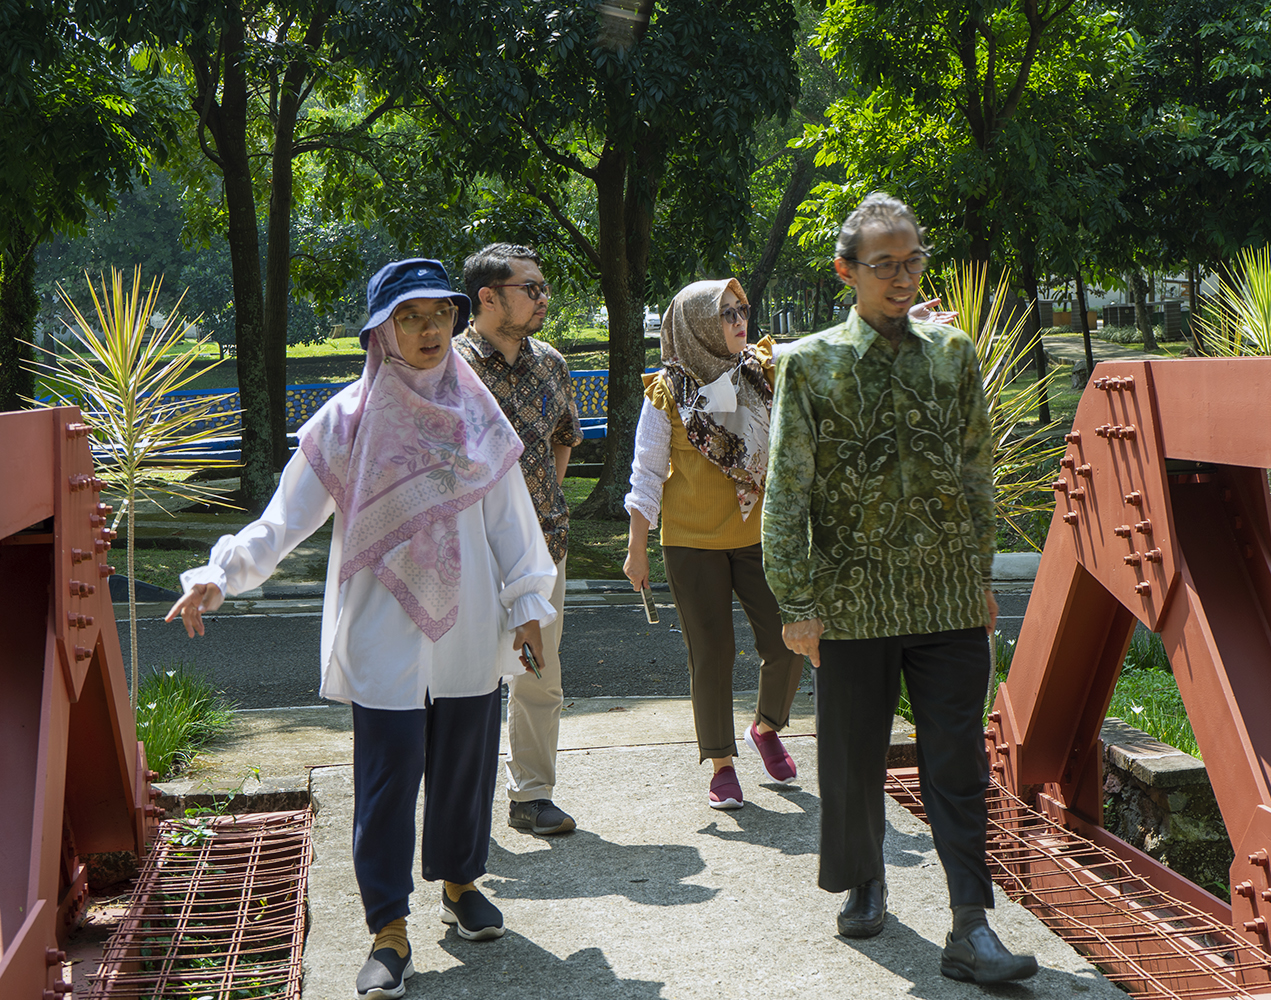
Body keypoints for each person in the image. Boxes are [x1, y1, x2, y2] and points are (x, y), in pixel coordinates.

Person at [166, 259, 557, 1000]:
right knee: (385, 780)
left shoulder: (479, 416)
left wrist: (528, 605)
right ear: (380, 331)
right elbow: (285, 519)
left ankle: (460, 883)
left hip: (470, 624)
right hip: (384, 631)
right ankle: (388, 929)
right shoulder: (345, 423)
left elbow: (512, 522)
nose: (429, 329)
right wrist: (220, 572)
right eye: (409, 317)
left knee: (465, 767)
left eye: (439, 314)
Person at [762, 192, 1039, 986]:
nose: (902, 276)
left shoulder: (953, 355)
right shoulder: (810, 363)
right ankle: (865, 875)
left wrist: (979, 575)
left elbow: (979, 470)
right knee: (853, 759)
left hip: (948, 599)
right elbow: (787, 490)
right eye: (885, 264)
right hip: (850, 603)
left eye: (913, 260)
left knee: (958, 763)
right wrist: (796, 601)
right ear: (847, 271)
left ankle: (970, 924)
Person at [622, 278, 803, 809]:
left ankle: (766, 726)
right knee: (713, 652)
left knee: (788, 637)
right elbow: (646, 475)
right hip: (691, 542)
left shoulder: (761, 368)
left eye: (741, 309)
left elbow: (827, 350)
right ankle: (722, 762)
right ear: (698, 324)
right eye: (726, 313)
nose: (739, 320)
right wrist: (637, 547)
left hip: (757, 535)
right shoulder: (666, 393)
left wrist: (896, 328)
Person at [455, 243, 584, 836]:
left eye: (543, 287)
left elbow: (564, 436)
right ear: (488, 297)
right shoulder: (450, 367)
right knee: (462, 679)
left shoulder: (552, 364)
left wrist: (537, 507)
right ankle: (457, 809)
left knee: (538, 674)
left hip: (543, 547)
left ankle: (531, 796)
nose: (543, 298)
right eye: (530, 288)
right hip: (466, 553)